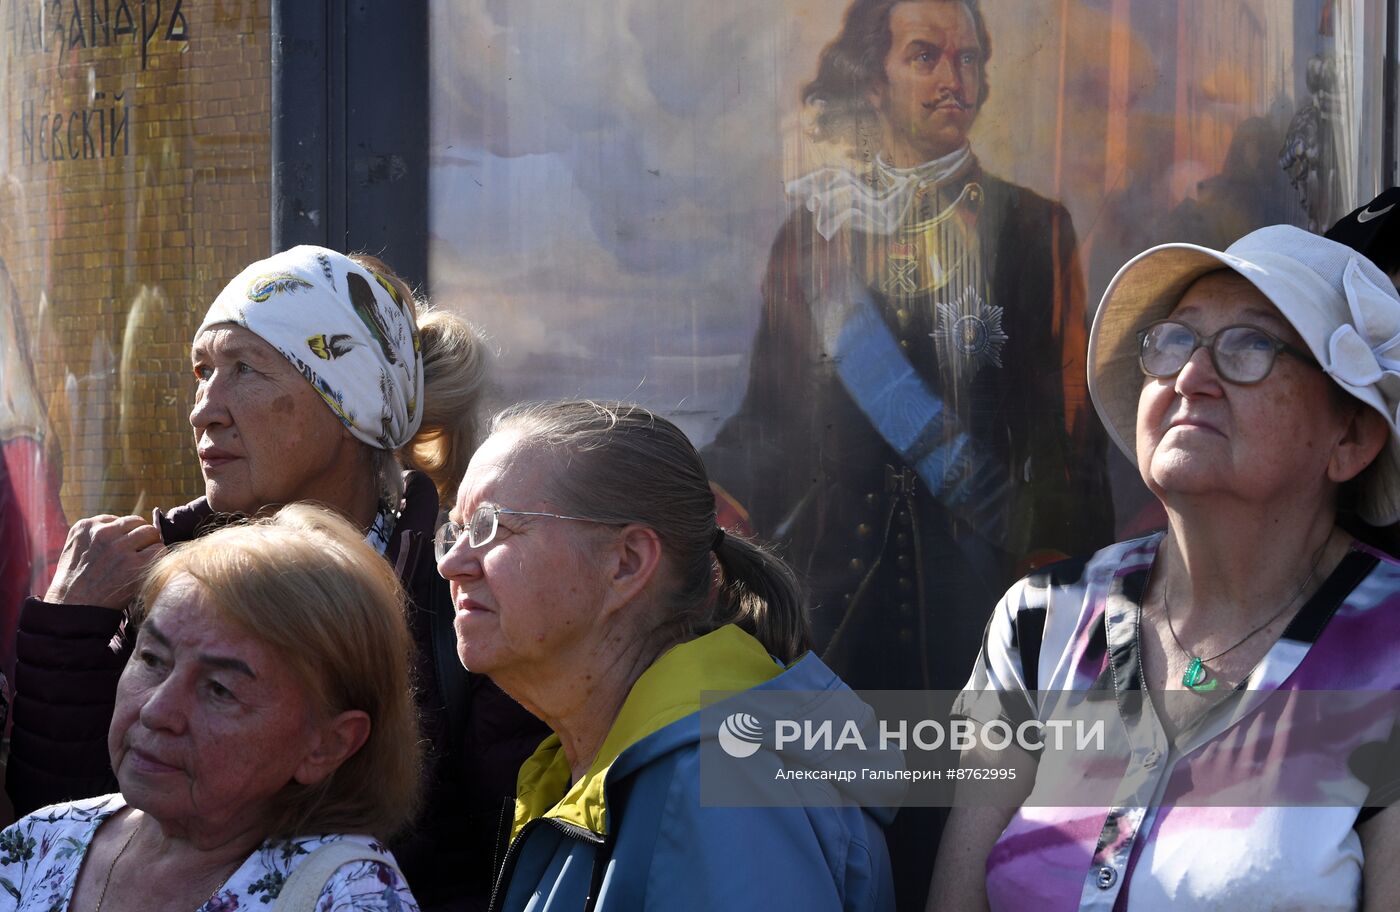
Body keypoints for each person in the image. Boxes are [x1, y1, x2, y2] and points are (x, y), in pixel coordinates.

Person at [701, 1, 1113, 902]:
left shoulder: (1035, 230)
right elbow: (769, 423)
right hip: (837, 620)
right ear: (871, 76)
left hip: (982, 620)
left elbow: (1069, 444)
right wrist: (688, 502)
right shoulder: (815, 239)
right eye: (924, 56)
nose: (952, 80)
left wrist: (1072, 633)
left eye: (968, 58)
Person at [6, 247, 548, 911]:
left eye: (244, 370)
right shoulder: (137, 580)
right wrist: (68, 635)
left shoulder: (461, 596)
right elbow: (65, 860)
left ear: (350, 405)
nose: (205, 409)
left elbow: (518, 863)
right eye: (202, 372)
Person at [929, 225, 1400, 911]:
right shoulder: (1042, 620)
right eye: (1176, 339)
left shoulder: (1388, 654)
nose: (1191, 377)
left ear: (1350, 437)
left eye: (1251, 346)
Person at [436, 400, 897, 911]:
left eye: (492, 527)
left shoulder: (715, 789)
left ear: (627, 562)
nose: (452, 564)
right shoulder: (620, 769)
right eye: (454, 532)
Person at [0, 505, 422, 911]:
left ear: (327, 745)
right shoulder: (39, 843)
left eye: (219, 689)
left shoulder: (348, 896)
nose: (156, 711)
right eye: (151, 659)